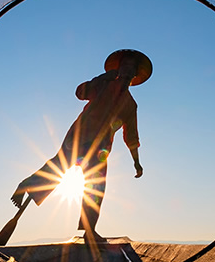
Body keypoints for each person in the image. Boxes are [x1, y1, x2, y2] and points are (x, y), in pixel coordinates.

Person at [10, 49, 151, 242]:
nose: (127, 70)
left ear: (135, 74)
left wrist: (136, 162)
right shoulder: (103, 85)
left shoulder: (130, 105)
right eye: (124, 66)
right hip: (79, 137)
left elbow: (131, 136)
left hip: (101, 148)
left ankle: (89, 230)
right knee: (60, 166)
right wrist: (102, 78)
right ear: (118, 69)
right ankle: (26, 185)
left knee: (96, 187)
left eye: (131, 68)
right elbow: (80, 93)